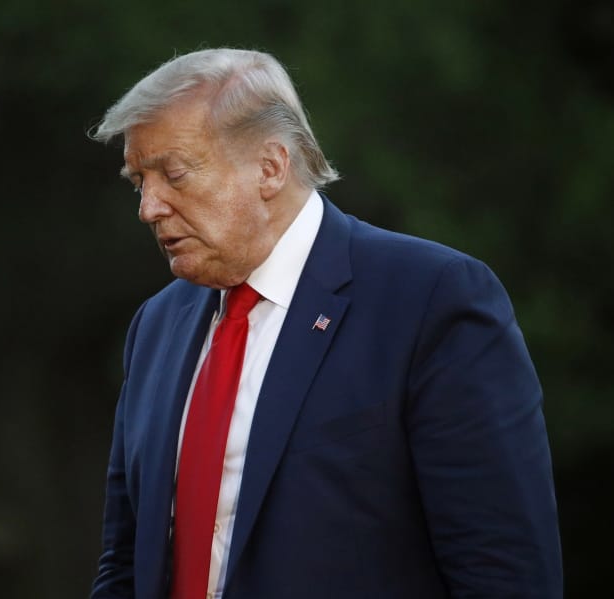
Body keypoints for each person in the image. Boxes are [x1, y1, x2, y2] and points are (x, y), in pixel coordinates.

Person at [88, 48, 562, 599]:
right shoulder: (156, 326)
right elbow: (125, 566)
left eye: (173, 174)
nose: (149, 207)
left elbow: (504, 572)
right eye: (138, 181)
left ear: (270, 167)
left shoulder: (432, 300)